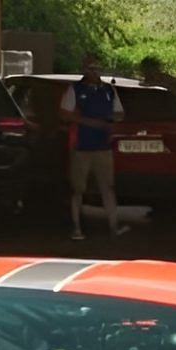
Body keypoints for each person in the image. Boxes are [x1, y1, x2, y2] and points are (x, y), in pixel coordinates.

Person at [61, 56, 127, 241]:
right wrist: (87, 121)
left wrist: (110, 120)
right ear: (84, 69)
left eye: (98, 67)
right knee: (78, 188)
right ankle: (76, 227)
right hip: (81, 145)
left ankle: (114, 226)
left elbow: (120, 112)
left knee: (108, 186)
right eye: (91, 67)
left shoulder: (109, 90)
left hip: (103, 145)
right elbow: (65, 113)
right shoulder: (75, 89)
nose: (95, 71)